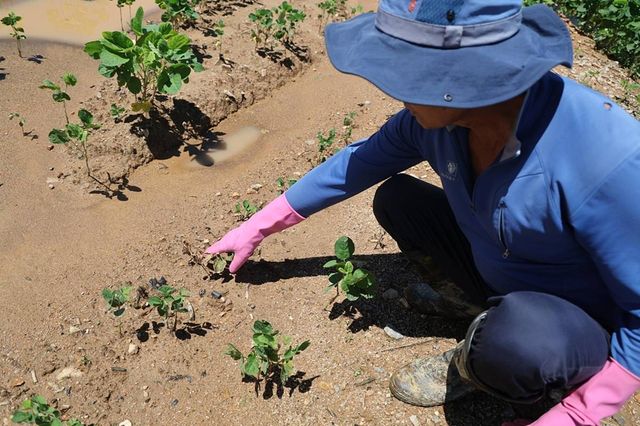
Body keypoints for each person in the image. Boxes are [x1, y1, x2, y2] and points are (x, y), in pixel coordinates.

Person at [206, 0, 640, 424]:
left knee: (518, 342)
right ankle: (478, 312)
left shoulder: (605, 159)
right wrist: (258, 226)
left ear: (463, 78)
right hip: (505, 267)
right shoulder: (440, 124)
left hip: (579, 320)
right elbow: (356, 164)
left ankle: (487, 361)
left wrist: (579, 413)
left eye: (406, 73)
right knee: (399, 200)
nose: (391, 88)